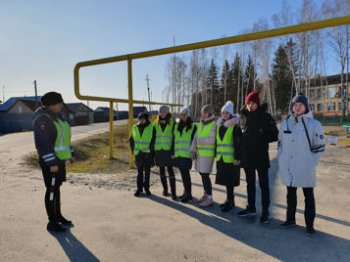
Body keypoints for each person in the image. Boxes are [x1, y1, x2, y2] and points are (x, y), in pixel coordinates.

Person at [278, 93, 325, 235]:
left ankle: (309, 225)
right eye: (295, 105)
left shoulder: (314, 124)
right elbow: (280, 144)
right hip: (289, 165)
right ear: (292, 107)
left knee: (308, 195)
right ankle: (290, 219)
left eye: (300, 105)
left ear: (305, 107)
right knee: (290, 194)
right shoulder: (285, 123)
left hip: (306, 166)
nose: (297, 107)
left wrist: (311, 162)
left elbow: (320, 147)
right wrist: (282, 159)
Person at [33, 92, 74, 232]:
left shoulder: (58, 117)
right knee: (51, 190)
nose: (62, 105)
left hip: (59, 160)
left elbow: (64, 138)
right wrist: (52, 163)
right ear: (51, 104)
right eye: (59, 103)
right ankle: (52, 222)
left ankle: (58, 216)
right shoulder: (42, 119)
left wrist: (70, 154)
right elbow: (43, 144)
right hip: (50, 162)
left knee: (56, 188)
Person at [238, 91, 278, 224]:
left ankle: (265, 211)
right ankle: (251, 207)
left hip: (261, 157)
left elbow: (275, 134)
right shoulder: (243, 117)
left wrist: (262, 137)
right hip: (247, 157)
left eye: (253, 103)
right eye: (248, 103)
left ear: (257, 103)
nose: (250, 105)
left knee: (264, 185)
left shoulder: (265, 117)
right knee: (250, 184)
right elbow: (239, 136)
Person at [215, 101, 241, 212]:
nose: (225, 114)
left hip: (231, 159)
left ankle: (230, 202)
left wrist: (237, 158)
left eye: (227, 113)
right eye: (223, 112)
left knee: (230, 182)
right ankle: (229, 200)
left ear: (231, 114)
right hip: (221, 158)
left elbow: (238, 143)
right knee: (226, 181)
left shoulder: (234, 126)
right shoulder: (220, 125)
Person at [190, 105, 217, 207]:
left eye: (203, 112)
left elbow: (212, 139)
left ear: (208, 113)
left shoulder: (213, 124)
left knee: (205, 176)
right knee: (202, 175)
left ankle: (209, 198)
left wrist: (200, 141)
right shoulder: (202, 123)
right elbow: (195, 137)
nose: (202, 114)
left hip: (207, 156)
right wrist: (192, 149)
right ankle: (206, 194)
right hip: (200, 155)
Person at [173, 107, 197, 203]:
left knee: (186, 175)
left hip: (187, 155)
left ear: (188, 115)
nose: (183, 116)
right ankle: (186, 193)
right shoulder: (176, 126)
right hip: (178, 154)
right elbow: (173, 140)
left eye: (185, 114)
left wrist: (194, 152)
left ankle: (188, 194)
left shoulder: (193, 127)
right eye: (182, 114)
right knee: (183, 175)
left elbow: (195, 142)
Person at [129, 112, 155, 197]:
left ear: (146, 119)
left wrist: (151, 153)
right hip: (138, 154)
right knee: (139, 173)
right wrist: (133, 150)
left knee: (147, 173)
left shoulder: (151, 127)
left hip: (147, 154)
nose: (140, 120)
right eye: (139, 118)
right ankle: (139, 189)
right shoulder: (134, 127)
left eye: (142, 118)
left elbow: (153, 142)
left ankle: (147, 188)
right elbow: (131, 140)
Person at [154, 105, 177, 200]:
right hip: (159, 151)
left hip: (168, 151)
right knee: (162, 171)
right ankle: (165, 189)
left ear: (168, 112)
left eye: (164, 111)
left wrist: (173, 151)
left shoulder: (172, 123)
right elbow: (152, 137)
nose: (162, 113)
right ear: (159, 112)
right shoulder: (155, 123)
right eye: (161, 111)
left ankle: (173, 192)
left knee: (171, 171)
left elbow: (176, 138)